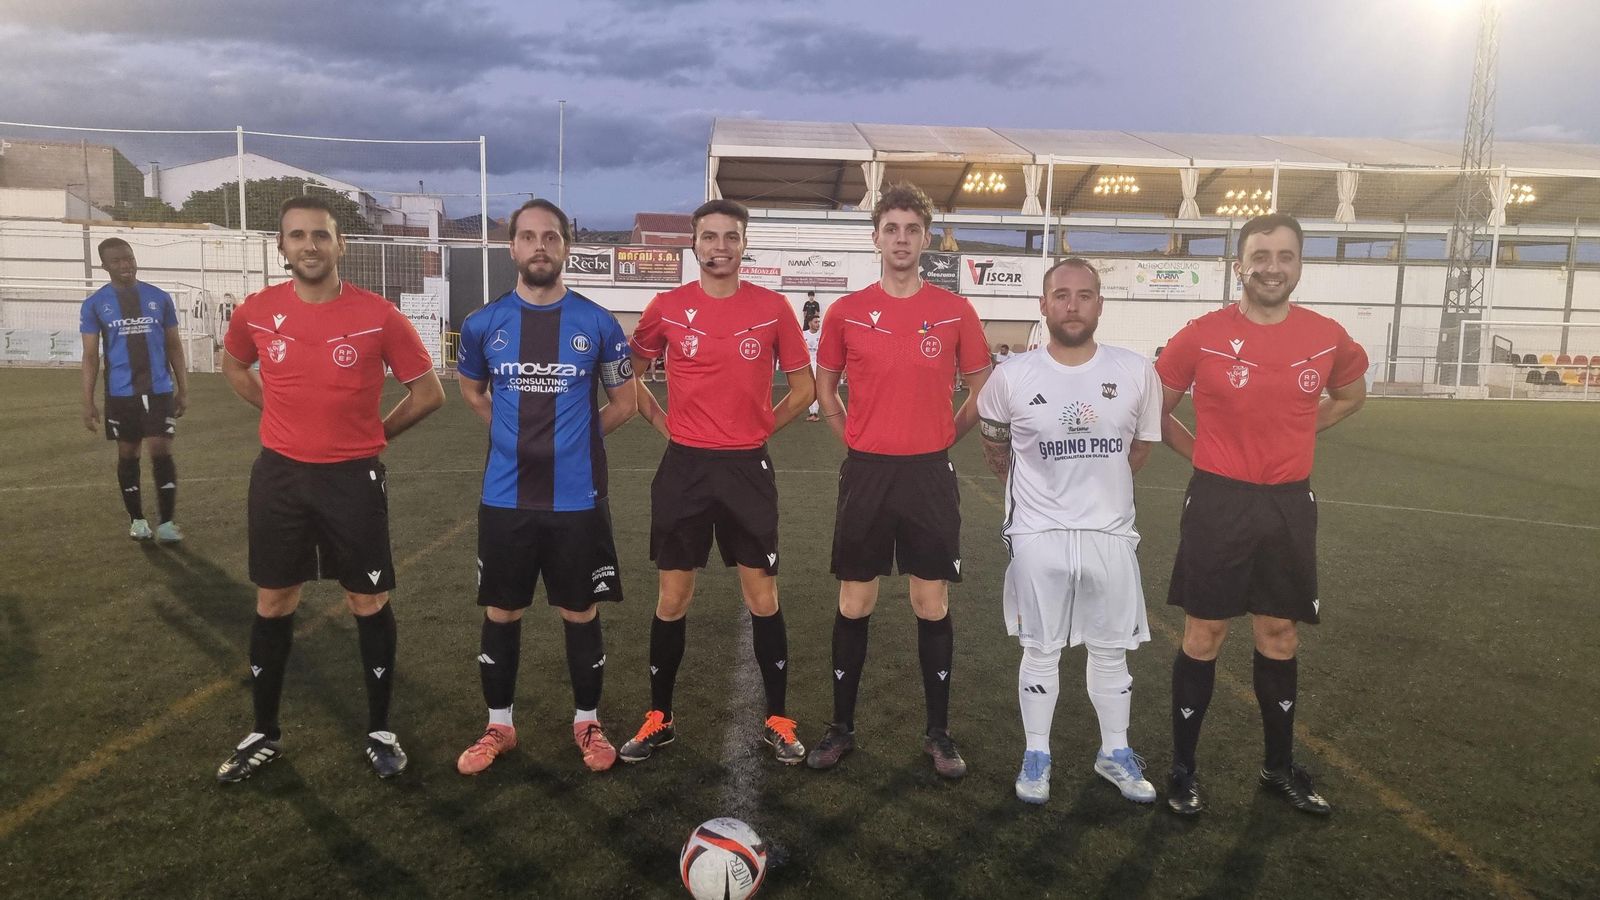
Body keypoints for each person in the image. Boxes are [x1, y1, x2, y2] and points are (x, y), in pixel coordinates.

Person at [215, 196, 446, 783]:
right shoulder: (257, 310)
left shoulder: (379, 315)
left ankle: (380, 730)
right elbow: (234, 366)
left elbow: (428, 393)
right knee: (273, 601)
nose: (309, 245)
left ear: (341, 245)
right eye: (297, 236)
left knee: (366, 600)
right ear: (282, 247)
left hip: (352, 479)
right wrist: (276, 408)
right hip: (280, 478)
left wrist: (375, 435)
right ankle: (264, 733)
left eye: (320, 235)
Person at [1157, 213, 1367, 816]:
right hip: (1219, 501)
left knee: (1279, 633)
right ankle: (1183, 770)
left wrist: (1306, 425)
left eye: (1285, 256)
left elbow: (1352, 395)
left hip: (1288, 504)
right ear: (1239, 264)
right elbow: (1155, 405)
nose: (1272, 267)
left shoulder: (1326, 335)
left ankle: (1278, 769)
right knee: (1205, 634)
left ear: (1299, 265)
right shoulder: (1200, 334)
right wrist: (1198, 451)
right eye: (1260, 255)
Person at [620, 199, 816, 765]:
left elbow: (802, 390)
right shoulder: (666, 307)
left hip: (745, 469)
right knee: (672, 598)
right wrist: (661, 422)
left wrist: (759, 430)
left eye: (731, 236)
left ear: (744, 243)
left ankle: (778, 719)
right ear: (695, 244)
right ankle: (660, 717)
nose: (720, 246)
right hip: (683, 468)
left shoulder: (773, 308)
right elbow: (627, 375)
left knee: (762, 596)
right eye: (710, 237)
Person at [806, 183, 992, 778]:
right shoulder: (846, 311)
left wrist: (945, 436)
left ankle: (938, 733)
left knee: (928, 599)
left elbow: (981, 388)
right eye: (892, 229)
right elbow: (825, 387)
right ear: (877, 238)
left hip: (928, 474)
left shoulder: (955, 310)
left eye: (913, 230)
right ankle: (841, 727)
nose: (902, 240)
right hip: (867, 473)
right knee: (855, 600)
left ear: (927, 239)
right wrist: (852, 437)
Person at [452, 199, 637, 775]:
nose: (539, 246)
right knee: (502, 612)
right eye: (528, 237)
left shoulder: (598, 323)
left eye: (550, 237)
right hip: (505, 499)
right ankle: (499, 726)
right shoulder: (484, 324)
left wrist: (574, 441)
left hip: (576, 500)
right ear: (512, 248)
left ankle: (587, 721)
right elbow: (472, 390)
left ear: (565, 247)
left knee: (578, 611)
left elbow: (625, 402)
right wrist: (513, 436)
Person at [976, 258, 1161, 805]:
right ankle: (1037, 754)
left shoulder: (1134, 371)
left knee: (1110, 652)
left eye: (1084, 294)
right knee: (1040, 648)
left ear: (1100, 304)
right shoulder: (1011, 376)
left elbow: (1140, 451)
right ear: (1043, 305)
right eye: (1061, 294)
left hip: (1110, 535)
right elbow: (995, 448)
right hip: (1039, 535)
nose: (1072, 304)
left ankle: (1115, 752)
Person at [79, 238, 188, 542]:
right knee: (128, 452)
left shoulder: (159, 298)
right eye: (117, 261)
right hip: (120, 392)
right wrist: (87, 402)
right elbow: (90, 356)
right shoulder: (95, 304)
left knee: (161, 449)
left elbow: (174, 345)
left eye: (129, 258)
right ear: (105, 266)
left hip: (159, 389)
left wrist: (183, 388)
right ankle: (137, 520)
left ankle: (166, 524)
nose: (125, 265)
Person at [803, 315, 823, 421]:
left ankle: (815, 412)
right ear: (810, 323)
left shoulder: (822, 335)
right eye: (816, 322)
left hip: (818, 365)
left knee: (817, 388)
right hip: (806, 366)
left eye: (819, 322)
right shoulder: (803, 334)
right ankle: (811, 412)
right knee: (808, 389)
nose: (818, 324)